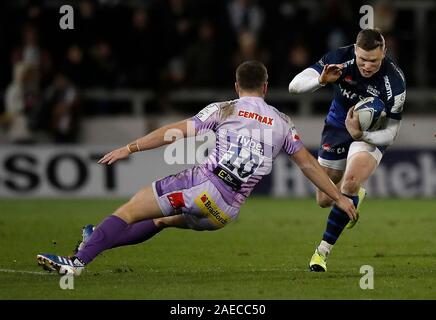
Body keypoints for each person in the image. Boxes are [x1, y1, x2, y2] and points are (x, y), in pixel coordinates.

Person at [36, 60, 356, 276]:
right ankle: (96, 239)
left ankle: (76, 263)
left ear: (236, 85)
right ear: (266, 87)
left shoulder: (225, 108)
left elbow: (172, 132)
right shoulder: (283, 122)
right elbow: (310, 166)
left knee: (130, 210)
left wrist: (129, 148)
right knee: (160, 220)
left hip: (201, 188)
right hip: (224, 213)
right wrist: (339, 199)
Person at [288, 29, 406, 272]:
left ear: (384, 53)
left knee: (349, 183)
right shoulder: (339, 58)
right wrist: (321, 80)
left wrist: (361, 135)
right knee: (323, 199)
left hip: (372, 133)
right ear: (355, 50)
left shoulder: (395, 82)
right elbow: (294, 86)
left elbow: (391, 133)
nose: (366, 65)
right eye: (362, 59)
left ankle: (322, 252)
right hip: (337, 126)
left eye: (373, 60)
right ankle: (355, 195)